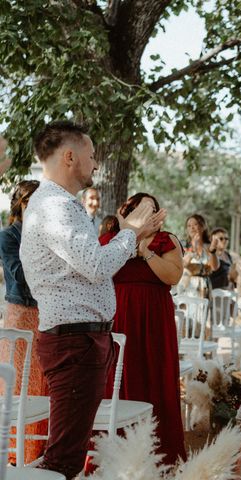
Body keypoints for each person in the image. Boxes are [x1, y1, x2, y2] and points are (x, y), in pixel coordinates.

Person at [20, 120, 165, 479]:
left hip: (80, 340)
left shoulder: (62, 205)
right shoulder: (54, 206)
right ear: (70, 157)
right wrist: (130, 234)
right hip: (74, 342)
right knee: (64, 458)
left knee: (69, 450)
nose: (96, 164)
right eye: (91, 155)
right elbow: (97, 265)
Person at [99, 193, 185, 465]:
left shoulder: (166, 241)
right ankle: (113, 451)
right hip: (119, 317)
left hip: (155, 320)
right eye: (141, 208)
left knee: (155, 373)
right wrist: (129, 240)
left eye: (153, 209)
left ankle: (161, 452)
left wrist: (146, 252)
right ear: (128, 211)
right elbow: (100, 270)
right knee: (118, 378)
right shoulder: (110, 240)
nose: (148, 214)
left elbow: (173, 276)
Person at [0, 180, 47, 464]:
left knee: (42, 380)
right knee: (18, 380)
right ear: (21, 204)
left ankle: (37, 450)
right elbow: (18, 274)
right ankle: (15, 452)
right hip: (20, 311)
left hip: (45, 312)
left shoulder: (46, 234)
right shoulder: (8, 236)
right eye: (31, 201)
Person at [178, 214, 218, 298]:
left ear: (203, 227)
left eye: (195, 224)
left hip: (204, 287)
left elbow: (214, 267)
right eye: (189, 226)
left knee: (203, 310)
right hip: (187, 286)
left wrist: (212, 251)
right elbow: (182, 264)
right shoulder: (183, 246)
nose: (192, 228)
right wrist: (193, 248)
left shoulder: (209, 246)